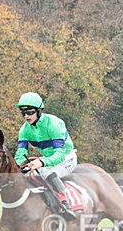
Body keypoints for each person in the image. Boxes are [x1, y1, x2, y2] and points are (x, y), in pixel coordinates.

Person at [14, 92, 77, 221]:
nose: (26, 116)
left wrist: (41, 163)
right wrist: (17, 167)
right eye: (23, 112)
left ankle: (65, 204)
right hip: (47, 159)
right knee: (28, 175)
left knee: (48, 172)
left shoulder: (54, 124)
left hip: (66, 157)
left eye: (30, 112)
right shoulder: (24, 130)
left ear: (39, 110)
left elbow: (60, 155)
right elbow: (20, 154)